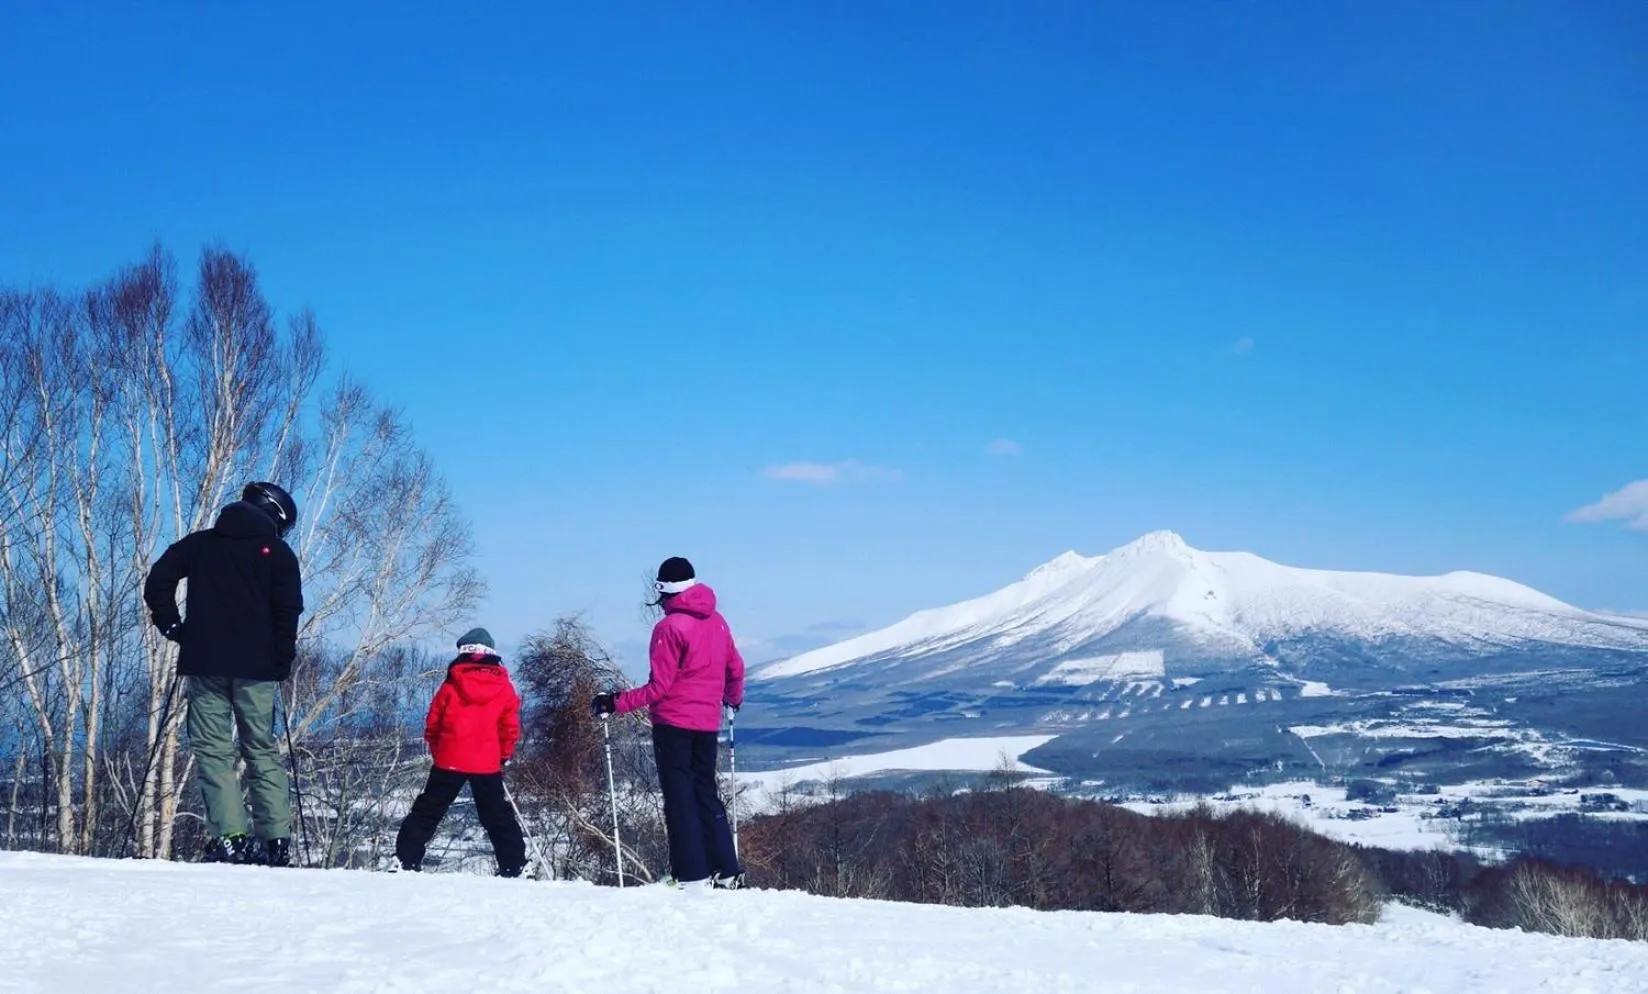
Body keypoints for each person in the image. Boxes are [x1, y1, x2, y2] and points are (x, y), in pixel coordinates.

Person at [143, 481, 304, 866]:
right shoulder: (278, 554)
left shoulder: (199, 544)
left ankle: (231, 837)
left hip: (205, 662)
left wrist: (173, 626)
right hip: (258, 669)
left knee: (214, 751)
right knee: (261, 748)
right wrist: (281, 662)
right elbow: (287, 613)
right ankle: (276, 840)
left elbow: (158, 580)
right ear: (277, 516)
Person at [592, 556, 746, 888]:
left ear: (664, 590)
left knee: (680, 799)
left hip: (674, 724)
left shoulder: (668, 628)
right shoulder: (717, 621)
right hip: (707, 724)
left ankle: (692, 875)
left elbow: (659, 687)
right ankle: (727, 869)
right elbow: (735, 668)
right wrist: (732, 699)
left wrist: (615, 702)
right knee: (706, 793)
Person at [394, 628, 527, 877]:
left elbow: (434, 722)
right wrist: (503, 754)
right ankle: (514, 866)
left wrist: (439, 749)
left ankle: (405, 860)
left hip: (449, 758)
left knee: (428, 810)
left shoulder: (451, 684)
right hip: (487, 762)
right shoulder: (504, 686)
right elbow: (509, 727)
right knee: (497, 815)